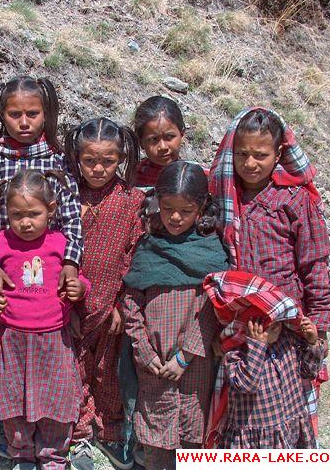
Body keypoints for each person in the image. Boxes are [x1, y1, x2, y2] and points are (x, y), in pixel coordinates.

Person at [208, 107, 330, 437]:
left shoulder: (293, 201)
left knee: (285, 412)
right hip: (243, 326)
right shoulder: (224, 199)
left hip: (287, 329)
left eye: (260, 155)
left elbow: (315, 264)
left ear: (278, 154)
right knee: (245, 416)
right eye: (242, 154)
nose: (250, 164)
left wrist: (318, 325)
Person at [0, 169, 89, 470]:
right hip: (12, 339)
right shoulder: (0, 243)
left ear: (51, 211)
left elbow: (79, 280)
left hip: (53, 338)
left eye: (34, 214)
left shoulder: (62, 245)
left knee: (55, 397)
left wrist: (81, 288)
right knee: (14, 399)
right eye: (17, 215)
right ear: (6, 213)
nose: (25, 222)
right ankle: (22, 454)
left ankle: (53, 456)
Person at [121, 161, 229, 470]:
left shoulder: (210, 251)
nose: (176, 218)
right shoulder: (149, 247)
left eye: (186, 210)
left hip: (195, 364)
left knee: (193, 439)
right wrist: (143, 350)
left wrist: (186, 355)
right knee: (155, 442)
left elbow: (213, 306)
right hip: (153, 365)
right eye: (168, 209)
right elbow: (131, 301)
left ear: (202, 207)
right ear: (157, 203)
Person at [63, 117, 143, 470]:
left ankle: (111, 433)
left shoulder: (132, 200)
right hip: (69, 307)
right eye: (89, 160)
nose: (98, 169)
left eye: (108, 161)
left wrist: (122, 307)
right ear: (77, 157)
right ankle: (79, 436)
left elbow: (134, 256)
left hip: (110, 308)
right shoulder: (66, 196)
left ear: (121, 157)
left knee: (107, 370)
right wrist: (63, 310)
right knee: (73, 369)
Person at [0, 75, 83, 301]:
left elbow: (71, 218)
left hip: (51, 271)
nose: (24, 122)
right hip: (3, 269)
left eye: (32, 114)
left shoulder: (59, 161)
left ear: (45, 114)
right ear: (2, 116)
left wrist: (71, 263)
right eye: (15, 115)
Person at [203, 270, 325, 449]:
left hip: (290, 432)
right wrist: (257, 347)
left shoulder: (288, 341)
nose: (274, 326)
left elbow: (309, 371)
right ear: (248, 324)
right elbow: (247, 384)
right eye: (265, 322)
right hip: (256, 442)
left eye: (277, 321)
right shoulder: (236, 354)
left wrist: (312, 341)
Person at [131, 96, 187, 189]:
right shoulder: (134, 177)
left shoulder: (197, 176)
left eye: (169, 137)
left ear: (182, 134)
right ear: (140, 142)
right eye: (154, 139)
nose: (163, 147)